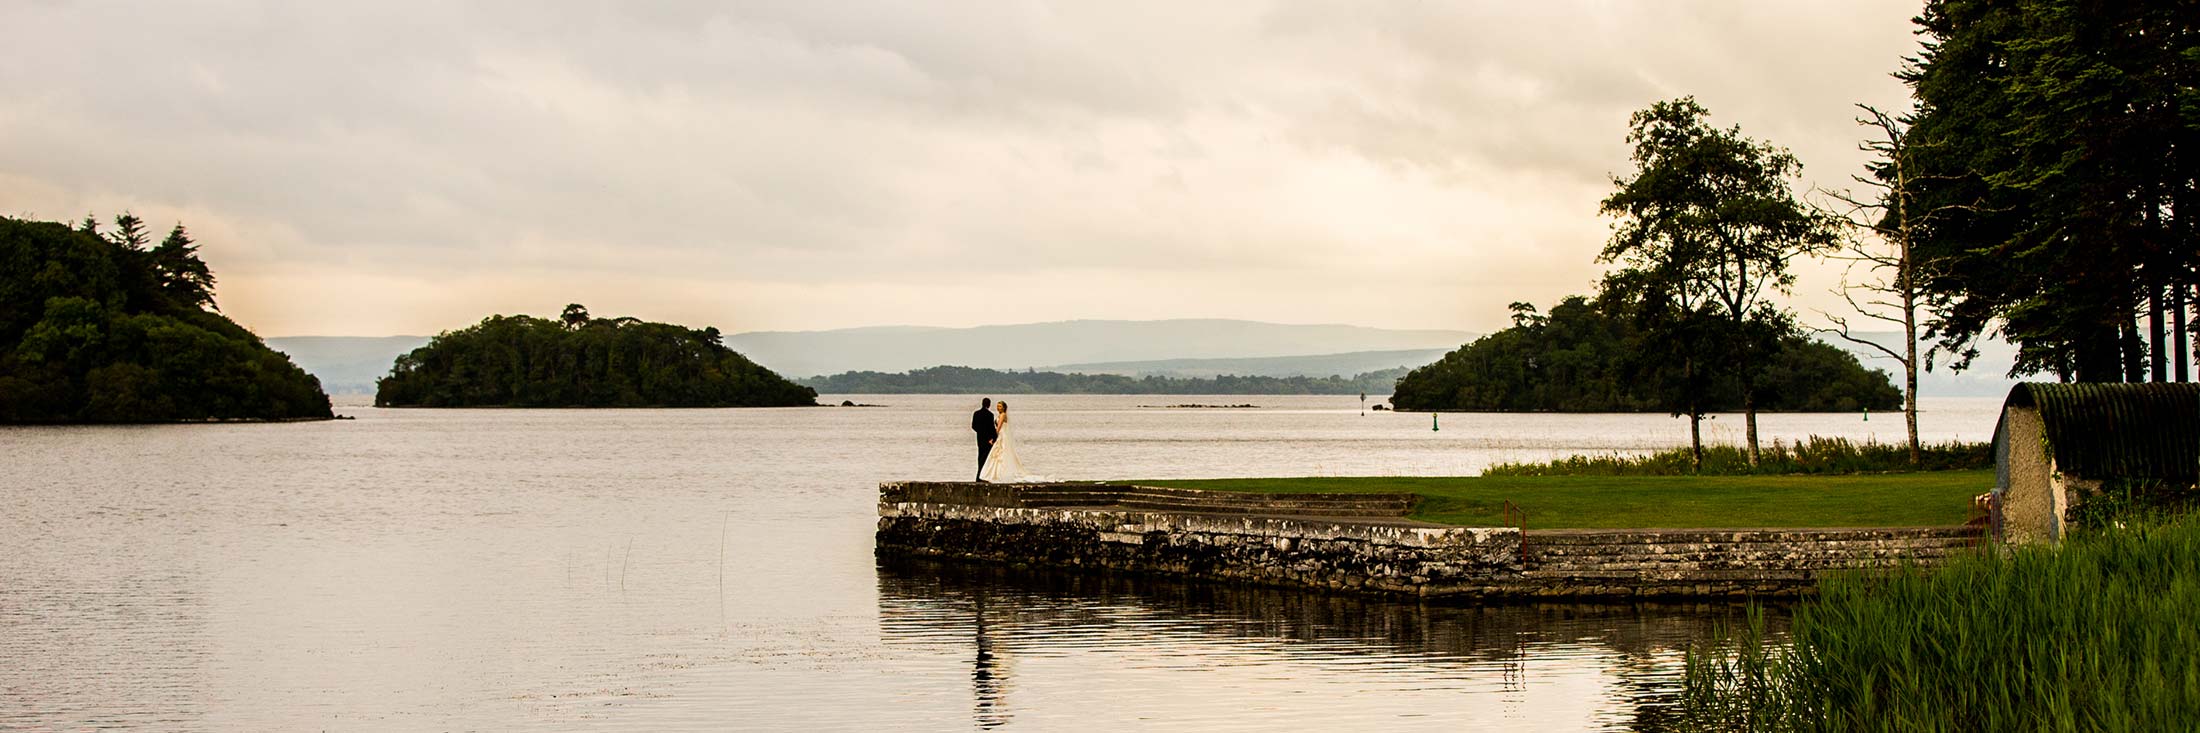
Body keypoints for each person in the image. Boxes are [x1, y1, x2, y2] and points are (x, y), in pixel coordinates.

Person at [977, 401, 1031, 483]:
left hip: (1002, 435)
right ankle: (995, 473)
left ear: (1004, 407)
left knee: (1001, 453)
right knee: (997, 454)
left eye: (1000, 406)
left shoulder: (1003, 415)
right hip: (1000, 435)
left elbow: (998, 427)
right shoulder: (1000, 415)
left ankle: (1000, 473)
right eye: (997, 406)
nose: (998, 408)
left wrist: (993, 438)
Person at [971, 397, 997, 481]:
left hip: (979, 439)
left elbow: (973, 426)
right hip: (988, 440)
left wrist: (980, 432)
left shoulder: (976, 413)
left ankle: (979, 476)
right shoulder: (990, 415)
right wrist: (994, 438)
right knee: (986, 458)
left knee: (980, 457)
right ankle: (982, 476)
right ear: (989, 405)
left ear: (982, 403)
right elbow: (991, 428)